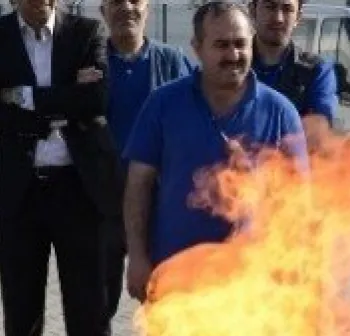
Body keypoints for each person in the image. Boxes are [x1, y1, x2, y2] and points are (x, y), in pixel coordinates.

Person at [55, 0, 195, 336]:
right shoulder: (90, 61)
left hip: (155, 215)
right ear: (103, 10)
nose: (125, 9)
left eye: (134, 1)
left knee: (161, 313)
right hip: (97, 209)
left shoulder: (173, 63)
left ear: (147, 8)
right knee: (94, 312)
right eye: (115, 2)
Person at [0, 0, 117, 336]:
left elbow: (96, 101)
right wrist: (64, 98)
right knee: (21, 320)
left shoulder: (87, 33)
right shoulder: (1, 36)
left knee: (88, 321)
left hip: (78, 193)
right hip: (18, 197)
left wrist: (23, 98)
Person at [122, 2, 304, 307]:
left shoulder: (281, 113)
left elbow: (298, 202)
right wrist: (138, 257)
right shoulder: (162, 105)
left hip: (252, 289)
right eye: (221, 45)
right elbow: (138, 185)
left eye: (240, 44)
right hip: (174, 282)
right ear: (197, 47)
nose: (233, 55)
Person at [249, 0, 337, 135]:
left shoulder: (316, 72)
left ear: (298, 18)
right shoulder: (231, 64)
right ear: (252, 11)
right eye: (270, 7)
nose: (278, 18)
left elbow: (318, 134)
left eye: (287, 9)